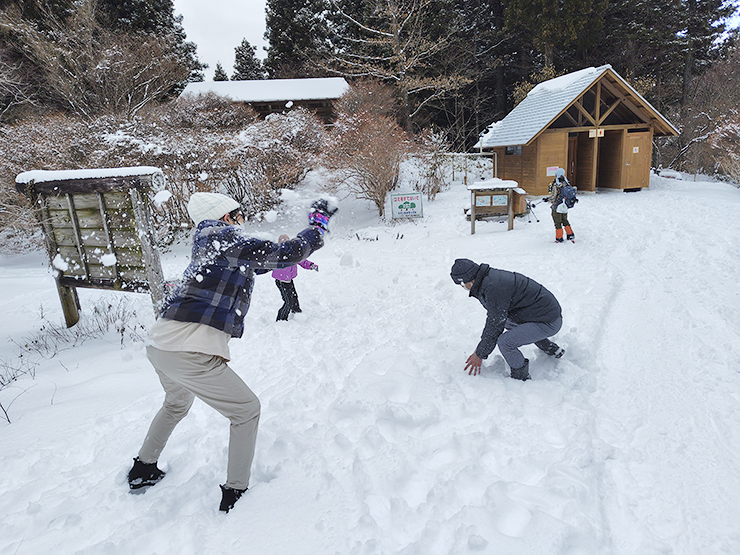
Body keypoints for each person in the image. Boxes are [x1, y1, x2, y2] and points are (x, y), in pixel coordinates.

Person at [127, 192, 337, 513]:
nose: (242, 220)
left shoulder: (208, 242)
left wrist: (284, 256)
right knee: (246, 410)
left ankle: (143, 468)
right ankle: (235, 492)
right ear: (226, 216)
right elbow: (284, 253)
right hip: (189, 350)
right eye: (238, 214)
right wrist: (316, 227)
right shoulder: (224, 237)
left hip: (161, 344)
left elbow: (259, 263)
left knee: (175, 404)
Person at [450, 258, 564, 381]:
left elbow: (495, 324)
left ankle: (521, 378)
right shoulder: (487, 279)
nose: (464, 288)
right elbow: (497, 320)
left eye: (463, 285)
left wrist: (480, 354)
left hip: (549, 321)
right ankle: (551, 348)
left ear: (470, 279)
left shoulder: (493, 287)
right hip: (540, 314)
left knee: (506, 342)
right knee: (508, 322)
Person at [272, 234, 318, 321]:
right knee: (288, 301)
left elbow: (302, 261)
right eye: (283, 242)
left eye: (288, 242)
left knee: (293, 296)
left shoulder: (293, 253)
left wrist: (311, 265)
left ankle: (296, 311)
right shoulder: (278, 254)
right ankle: (281, 319)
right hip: (281, 281)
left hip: (289, 280)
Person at [548, 168, 575, 243]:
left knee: (557, 221)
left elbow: (554, 196)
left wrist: (548, 200)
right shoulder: (566, 183)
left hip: (557, 205)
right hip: (565, 205)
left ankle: (559, 237)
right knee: (564, 220)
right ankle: (570, 234)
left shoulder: (557, 184)